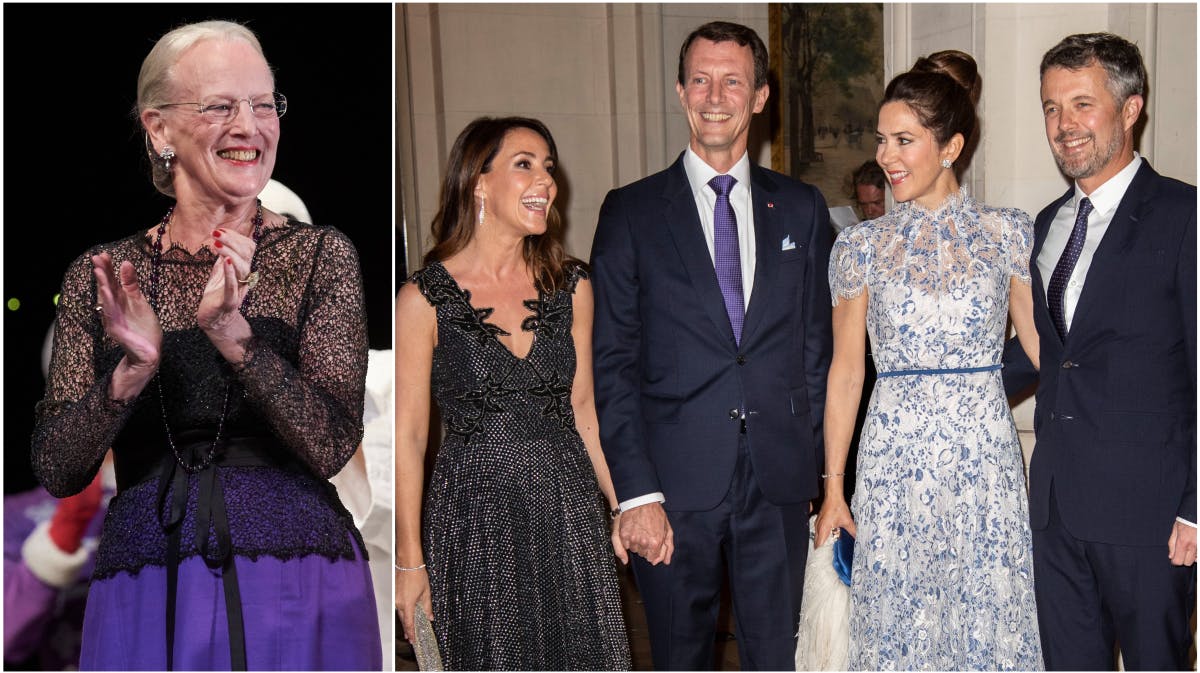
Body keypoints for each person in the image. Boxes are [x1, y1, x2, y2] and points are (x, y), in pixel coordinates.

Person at [30, 20, 380, 670]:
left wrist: (236, 339)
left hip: (300, 578)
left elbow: (331, 445)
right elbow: (58, 468)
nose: (250, 125)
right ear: (159, 129)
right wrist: (130, 372)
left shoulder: (319, 257)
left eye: (264, 102)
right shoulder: (101, 272)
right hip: (147, 578)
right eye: (221, 105)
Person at [590, 21, 833, 670]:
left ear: (759, 97)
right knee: (679, 658)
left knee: (777, 657)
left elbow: (816, 347)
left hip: (779, 483)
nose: (715, 95)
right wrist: (635, 494)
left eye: (733, 81)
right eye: (701, 79)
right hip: (672, 487)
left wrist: (810, 464)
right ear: (680, 91)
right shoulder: (630, 212)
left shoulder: (803, 209)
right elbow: (610, 365)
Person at [814, 50, 1044, 670]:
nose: (886, 156)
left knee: (986, 622)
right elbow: (846, 373)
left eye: (904, 140)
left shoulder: (1007, 234)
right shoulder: (860, 247)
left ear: (951, 147)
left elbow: (1042, 350)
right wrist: (834, 490)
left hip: (984, 460)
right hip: (893, 460)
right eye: (882, 139)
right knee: (899, 630)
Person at [394, 116, 631, 670]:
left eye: (548, 167)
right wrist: (409, 561)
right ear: (478, 182)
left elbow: (584, 410)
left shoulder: (573, 285)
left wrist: (623, 505)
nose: (545, 181)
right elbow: (406, 438)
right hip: (474, 520)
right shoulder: (423, 299)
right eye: (524, 164)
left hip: (567, 512)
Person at [1010, 32, 1196, 670]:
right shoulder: (1045, 224)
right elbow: (1046, 354)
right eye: (1051, 108)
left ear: (1131, 108)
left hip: (1152, 518)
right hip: (1057, 511)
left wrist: (1196, 510)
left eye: (1082, 105)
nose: (1064, 126)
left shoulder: (1184, 216)